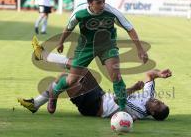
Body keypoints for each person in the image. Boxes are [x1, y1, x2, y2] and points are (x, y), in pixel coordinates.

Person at [50, 0, 148, 114]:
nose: (102, 5)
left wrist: (140, 49)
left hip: (107, 46)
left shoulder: (111, 12)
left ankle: (123, 111)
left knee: (116, 75)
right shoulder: (79, 13)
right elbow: (69, 28)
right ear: (90, 3)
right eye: (98, 2)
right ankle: (54, 94)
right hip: (86, 47)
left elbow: (129, 28)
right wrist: (61, 43)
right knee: (72, 80)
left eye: (104, 1)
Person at [18, 39, 171, 121]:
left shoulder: (140, 111)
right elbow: (150, 75)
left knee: (65, 78)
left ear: (151, 112)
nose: (158, 101)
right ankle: (36, 102)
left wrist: (133, 88)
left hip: (94, 107)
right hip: (100, 95)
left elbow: (119, 98)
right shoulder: (149, 98)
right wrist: (159, 74)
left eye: (158, 105)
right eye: (161, 102)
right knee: (80, 68)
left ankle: (43, 61)